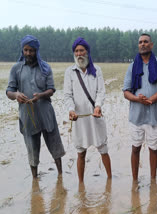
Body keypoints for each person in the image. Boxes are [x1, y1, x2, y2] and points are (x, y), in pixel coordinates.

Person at [6, 35, 65, 178]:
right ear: (22, 50)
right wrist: (16, 95)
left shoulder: (45, 67)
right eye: (25, 50)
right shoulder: (16, 69)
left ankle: (60, 176)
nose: (28, 53)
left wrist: (41, 95)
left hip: (46, 113)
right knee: (32, 149)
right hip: (27, 115)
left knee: (55, 145)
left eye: (31, 50)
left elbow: (51, 90)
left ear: (36, 51)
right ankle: (35, 180)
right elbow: (9, 91)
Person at [64, 37, 112, 183]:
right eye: (76, 51)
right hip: (79, 119)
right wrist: (71, 110)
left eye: (81, 50)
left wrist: (98, 106)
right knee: (81, 153)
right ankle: (81, 184)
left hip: (95, 116)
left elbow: (101, 91)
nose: (79, 54)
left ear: (87, 52)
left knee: (103, 149)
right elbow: (67, 95)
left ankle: (110, 179)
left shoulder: (97, 70)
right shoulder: (70, 72)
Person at [123, 33, 157, 180]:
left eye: (145, 42)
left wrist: (151, 99)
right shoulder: (132, 66)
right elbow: (126, 92)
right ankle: (135, 180)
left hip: (154, 116)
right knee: (135, 148)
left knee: (153, 149)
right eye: (140, 42)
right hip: (136, 116)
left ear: (151, 45)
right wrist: (138, 99)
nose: (142, 44)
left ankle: (153, 180)